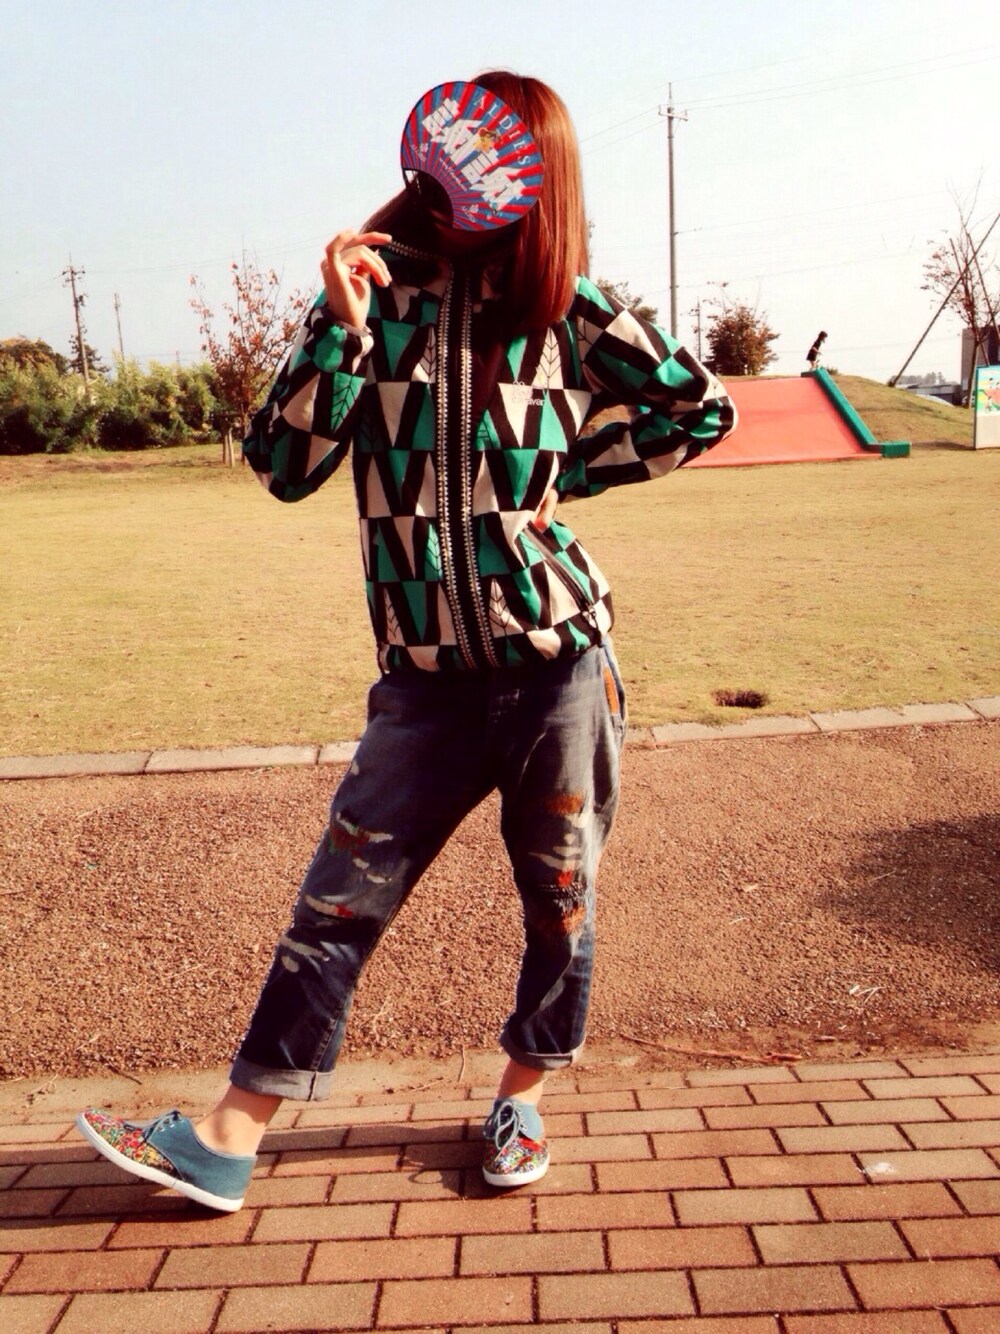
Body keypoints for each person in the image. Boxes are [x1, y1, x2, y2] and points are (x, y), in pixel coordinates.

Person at [77, 70, 736, 1212]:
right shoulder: (373, 292)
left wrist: (567, 476)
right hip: (423, 688)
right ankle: (227, 1137)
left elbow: (701, 408)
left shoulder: (569, 307)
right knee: (337, 903)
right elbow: (284, 466)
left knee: (561, 902)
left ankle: (521, 1099)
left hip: (559, 668)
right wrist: (337, 329)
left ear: (538, 180)